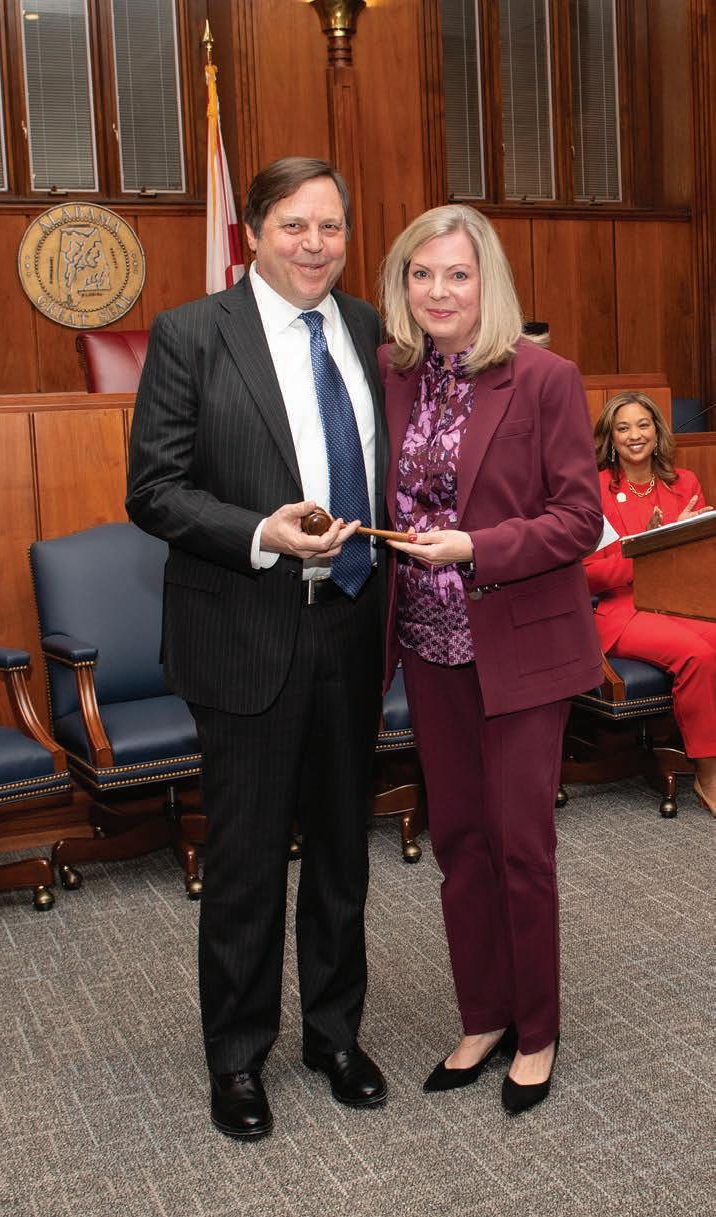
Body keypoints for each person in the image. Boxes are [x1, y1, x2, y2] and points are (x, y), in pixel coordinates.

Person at [127, 157, 389, 1140]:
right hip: (245, 626)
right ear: (251, 232)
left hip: (352, 621)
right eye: (293, 225)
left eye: (331, 226)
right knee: (245, 860)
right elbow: (154, 488)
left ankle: (334, 1032)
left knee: (342, 849)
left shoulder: (368, 328)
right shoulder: (192, 334)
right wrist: (260, 531)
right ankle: (236, 1056)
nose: (315, 244)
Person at [379, 204, 603, 1114]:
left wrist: (477, 546)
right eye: (422, 274)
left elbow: (579, 519)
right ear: (403, 284)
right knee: (460, 841)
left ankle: (537, 1030)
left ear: (488, 283)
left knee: (519, 843)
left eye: (458, 274)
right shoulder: (393, 376)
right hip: (429, 646)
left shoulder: (545, 378)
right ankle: (482, 1014)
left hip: (521, 646)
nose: (439, 291)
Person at [585, 391, 716, 814]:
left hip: (677, 602)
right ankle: (708, 775)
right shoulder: (594, 491)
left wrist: (693, 535)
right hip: (621, 609)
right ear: (611, 438)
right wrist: (644, 549)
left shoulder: (684, 484)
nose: (635, 435)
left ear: (658, 432)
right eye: (623, 428)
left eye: (643, 425)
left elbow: (695, 564)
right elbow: (587, 575)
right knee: (697, 655)